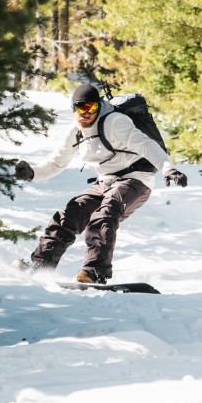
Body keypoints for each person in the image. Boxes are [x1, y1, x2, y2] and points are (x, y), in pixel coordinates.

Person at [13, 84, 188, 284]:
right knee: (70, 214)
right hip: (105, 181)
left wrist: (168, 168)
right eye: (81, 108)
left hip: (136, 178)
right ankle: (40, 264)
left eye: (92, 108)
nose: (87, 114)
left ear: (99, 107)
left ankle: (95, 271)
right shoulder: (75, 132)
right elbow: (55, 163)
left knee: (106, 212)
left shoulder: (115, 122)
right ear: (73, 109)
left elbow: (147, 145)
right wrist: (31, 173)